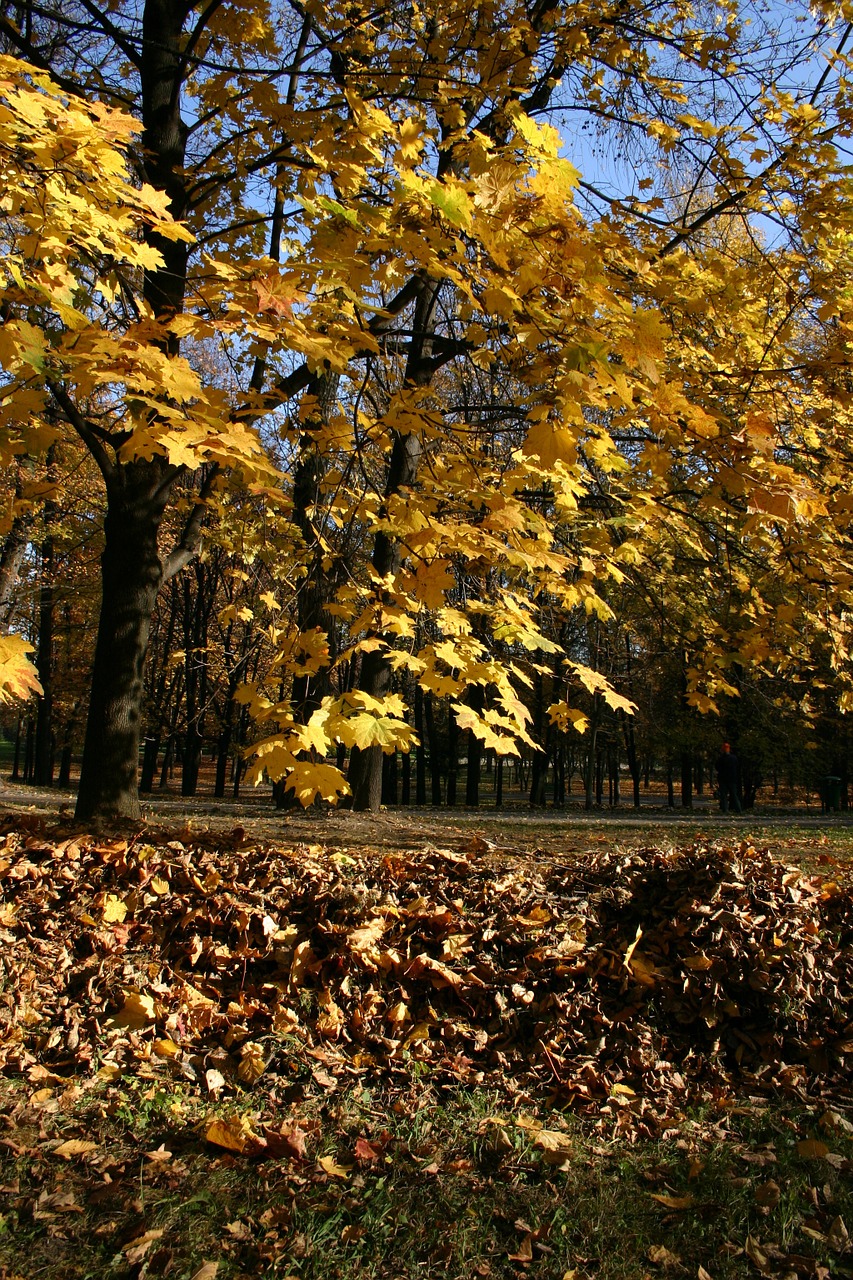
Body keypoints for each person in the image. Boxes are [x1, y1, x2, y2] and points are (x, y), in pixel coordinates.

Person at [716, 742, 742, 813]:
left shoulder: (720, 759)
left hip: (723, 779)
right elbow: (737, 767)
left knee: (724, 795)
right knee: (734, 795)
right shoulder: (734, 758)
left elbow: (717, 768)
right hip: (732, 779)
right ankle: (738, 809)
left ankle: (725, 810)